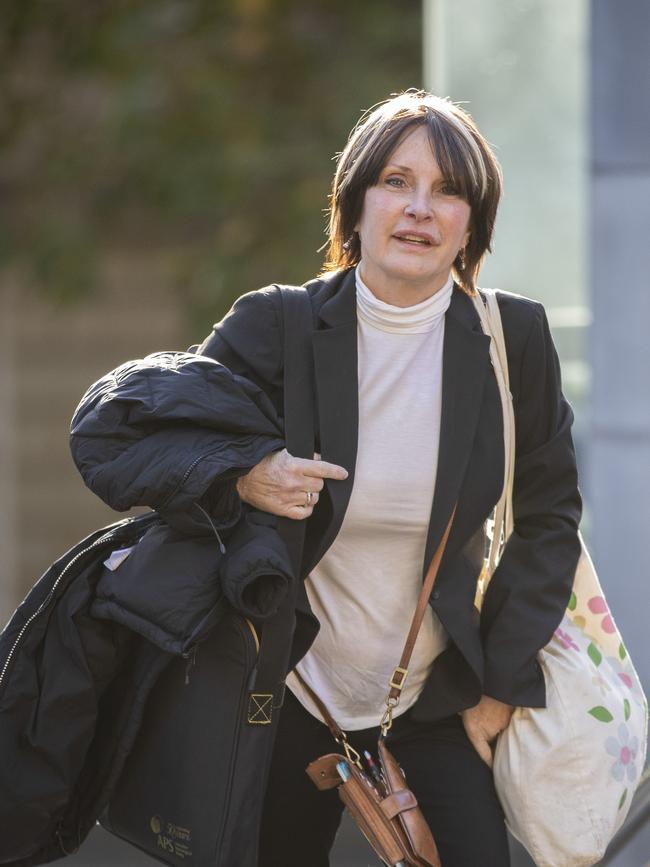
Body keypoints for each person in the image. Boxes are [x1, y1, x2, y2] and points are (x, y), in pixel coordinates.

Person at [197, 90, 582, 866]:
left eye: (448, 190)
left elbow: (549, 516)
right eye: (396, 182)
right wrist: (245, 474)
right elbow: (155, 433)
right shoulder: (280, 326)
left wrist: (501, 684)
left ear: (473, 220)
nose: (420, 208)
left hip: (435, 694)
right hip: (285, 692)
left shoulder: (516, 339)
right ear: (355, 200)